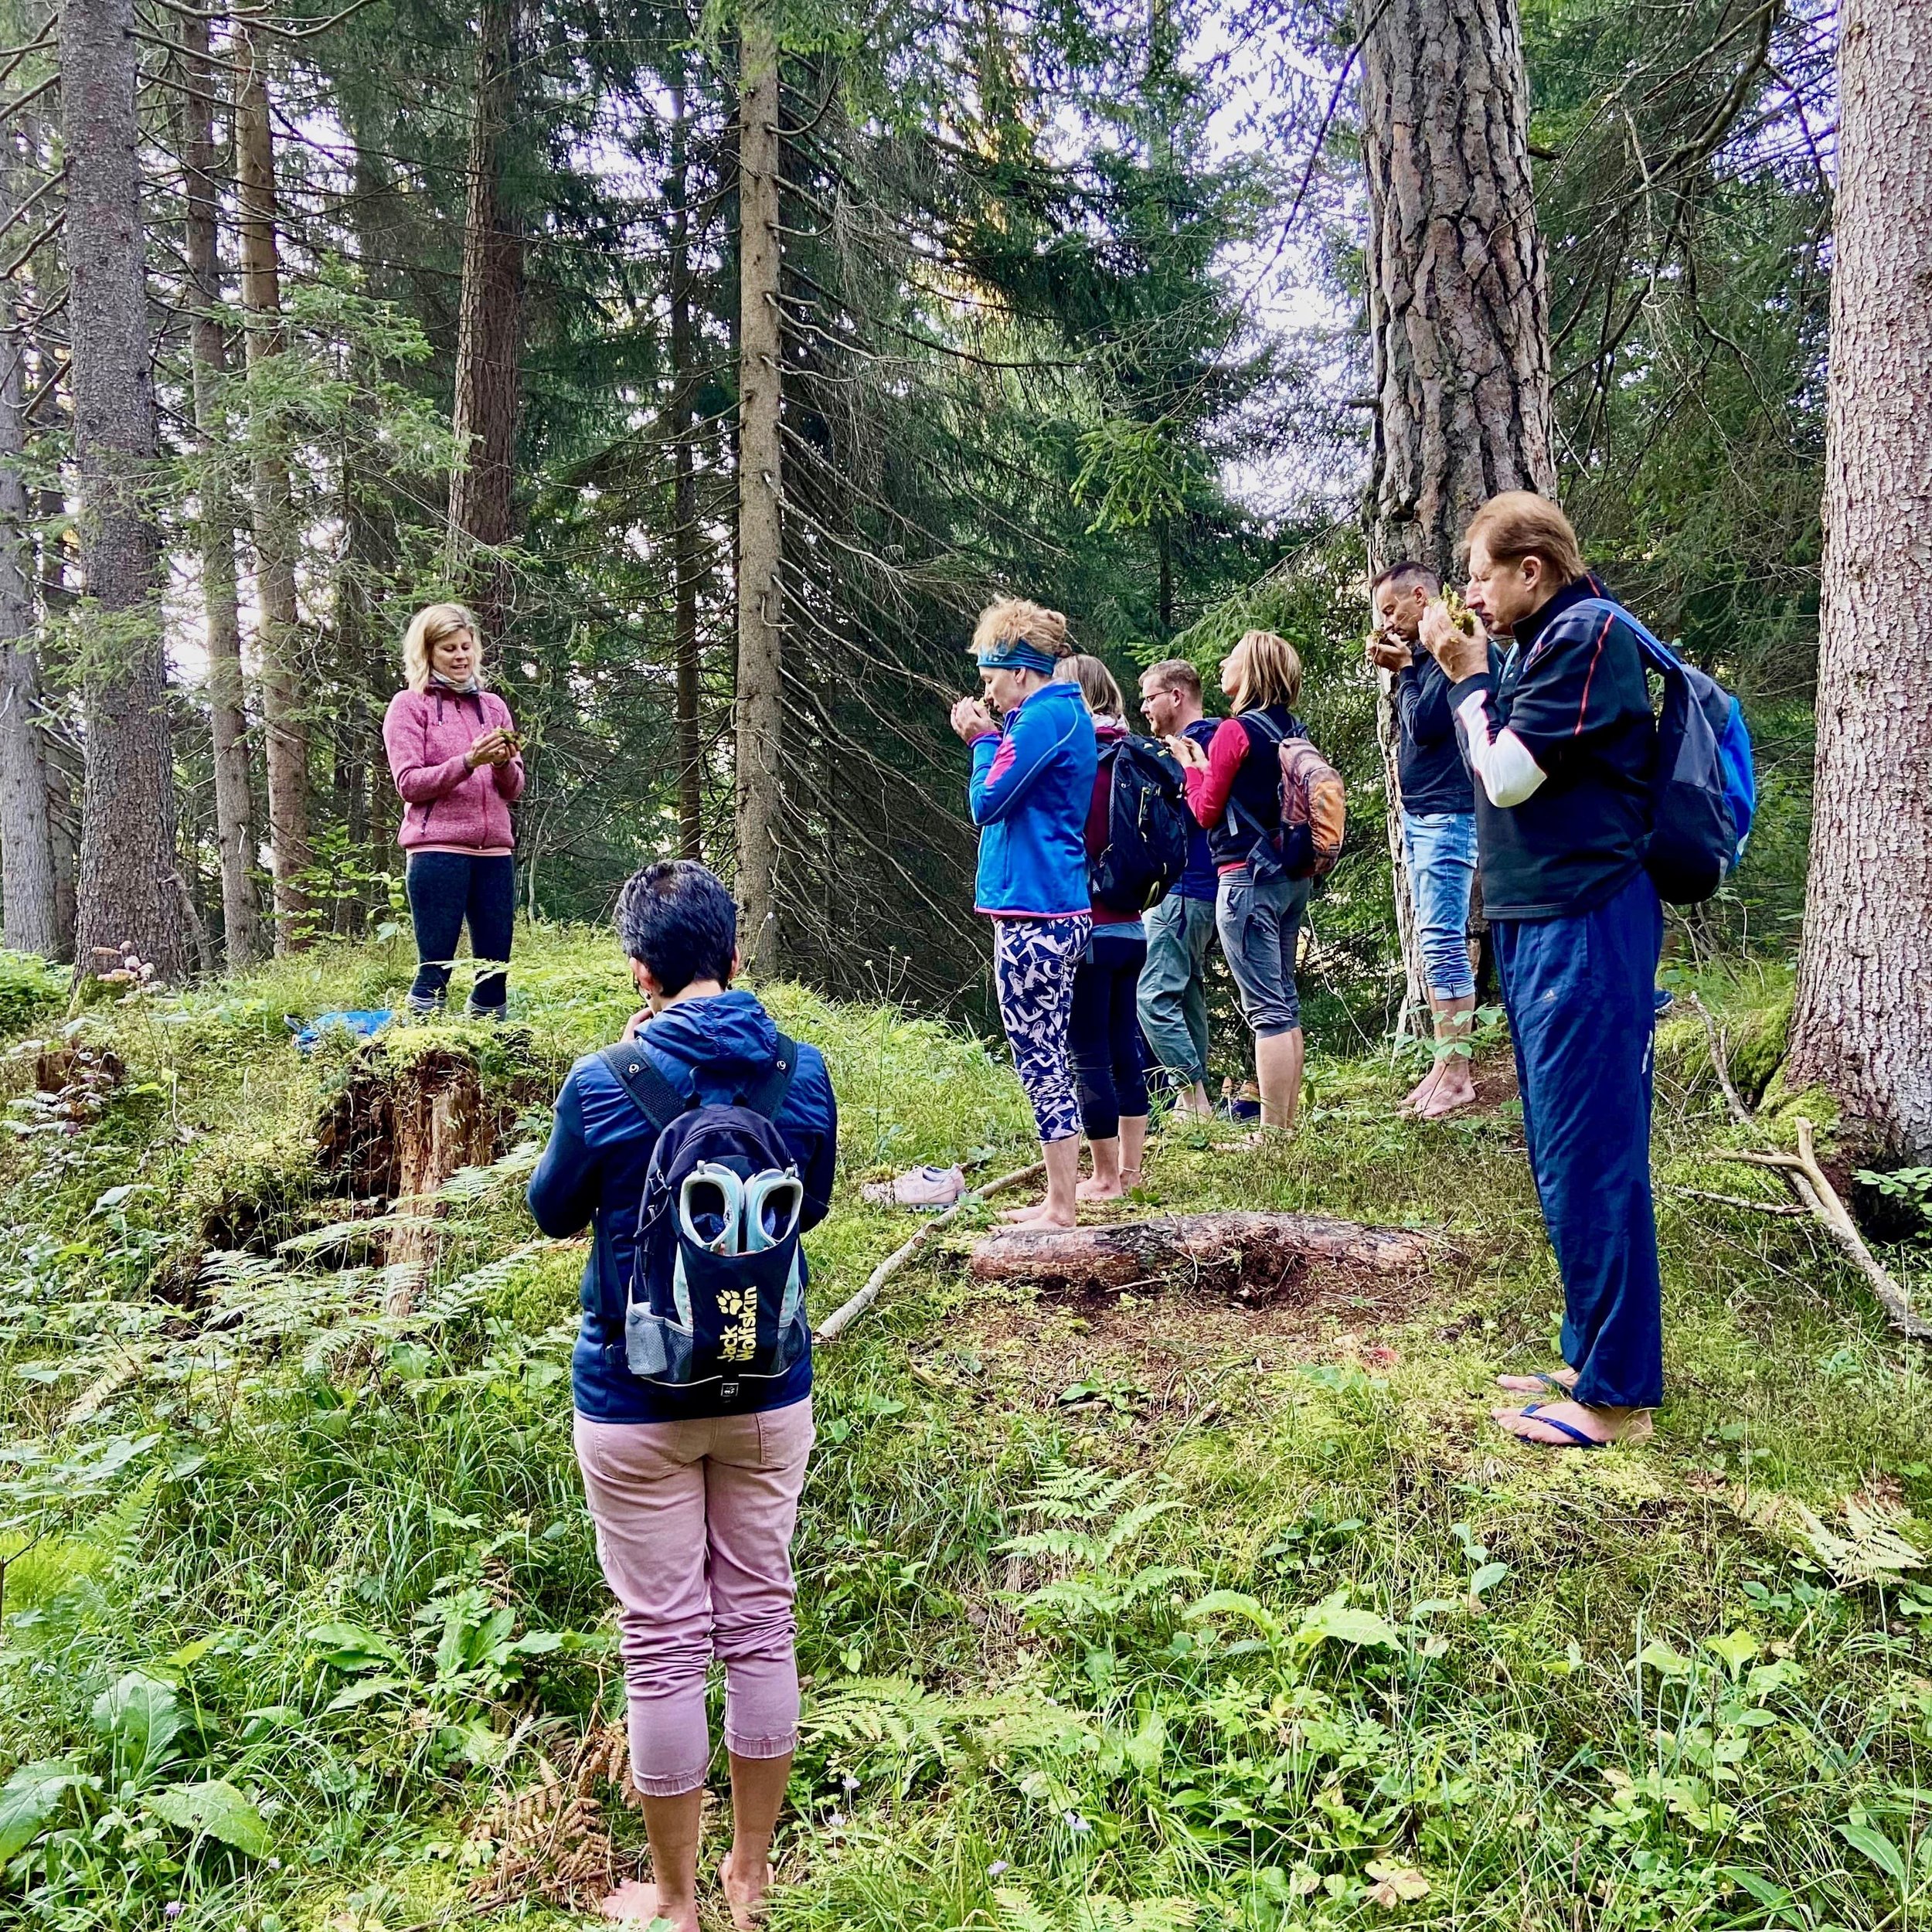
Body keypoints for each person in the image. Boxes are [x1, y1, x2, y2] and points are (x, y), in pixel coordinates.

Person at [526, 861, 837, 1930]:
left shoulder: (603, 1077)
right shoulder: (802, 1072)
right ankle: (750, 1884)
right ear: (735, 959)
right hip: (767, 1385)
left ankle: (674, 1903)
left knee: (662, 1638)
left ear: (640, 969)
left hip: (631, 1397)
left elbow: (550, 1210)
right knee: (760, 1622)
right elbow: (817, 1207)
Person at [1420, 492, 1662, 1452]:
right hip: (1535, 920)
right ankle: (1588, 1351)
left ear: (1534, 569)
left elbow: (1510, 774)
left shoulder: (1587, 634)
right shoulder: (1538, 646)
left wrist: (1470, 678)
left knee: (1590, 1145)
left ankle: (1615, 1398)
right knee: (1560, 1142)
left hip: (1587, 918)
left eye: (1482, 570)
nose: (1471, 588)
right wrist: (1465, 675)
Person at [948, 597, 1096, 1228]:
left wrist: (983, 742)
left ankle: (1060, 1207)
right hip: (1047, 906)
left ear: (1019, 670)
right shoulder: (1057, 714)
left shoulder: (1041, 718)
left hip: (1038, 913)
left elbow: (988, 802)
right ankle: (1059, 1197)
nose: (989, 692)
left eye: (991, 678)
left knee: (1040, 1057)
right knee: (1047, 1053)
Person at [1165, 630, 1311, 1135]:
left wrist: (1191, 770)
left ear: (1249, 671)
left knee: (1267, 1010)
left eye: (1232, 658)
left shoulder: (1234, 731)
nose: (1223, 664)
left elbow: (1206, 813)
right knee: (1284, 1000)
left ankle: (1272, 1135)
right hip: (1290, 876)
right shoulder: (1293, 728)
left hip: (1245, 880)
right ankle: (1286, 1127)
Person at [1366, 562, 1479, 1118]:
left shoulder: (1450, 643)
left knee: (1442, 940)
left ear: (1420, 596)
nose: (1388, 622)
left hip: (1450, 813)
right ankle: (1442, 1063)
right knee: (1433, 940)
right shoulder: (1428, 652)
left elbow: (1428, 723)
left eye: (1391, 610)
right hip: (1425, 814)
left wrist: (1407, 670)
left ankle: (1459, 1073)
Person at [382, 603, 525, 1019]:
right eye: (449, 649)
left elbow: (514, 787)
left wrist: (500, 763)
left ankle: (491, 1060)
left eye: (466, 646)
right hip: (436, 851)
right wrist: (468, 761)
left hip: (495, 852)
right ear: (427, 653)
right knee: (436, 970)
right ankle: (420, 1060)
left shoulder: (494, 707)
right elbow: (408, 784)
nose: (461, 656)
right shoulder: (409, 706)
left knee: (494, 973)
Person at [1054, 655, 1151, 1200]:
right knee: (1124, 1046)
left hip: (1088, 924)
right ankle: (1133, 1171)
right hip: (1134, 925)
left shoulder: (1082, 761)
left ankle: (1105, 1178)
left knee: (1087, 1050)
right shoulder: (1134, 757)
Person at [1135, 659, 1219, 1116]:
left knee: (1151, 995)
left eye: (1150, 696)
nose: (1144, 706)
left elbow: (1189, 815)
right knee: (1185, 993)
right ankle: (1196, 1100)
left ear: (1177, 696)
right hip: (1199, 892)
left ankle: (1194, 1100)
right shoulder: (1208, 741)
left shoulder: (1197, 745)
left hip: (1186, 889)